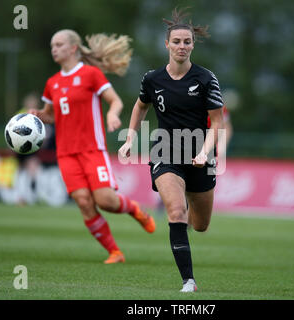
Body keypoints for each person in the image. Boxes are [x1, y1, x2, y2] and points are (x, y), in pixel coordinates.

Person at [119, 8, 224, 292]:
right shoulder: (152, 79)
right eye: (176, 41)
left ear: (193, 45)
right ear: (166, 44)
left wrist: (204, 152)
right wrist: (130, 138)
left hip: (200, 156)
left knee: (200, 225)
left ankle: (189, 197)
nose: (181, 46)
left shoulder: (206, 79)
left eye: (186, 42)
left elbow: (217, 122)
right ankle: (188, 281)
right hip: (164, 151)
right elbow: (141, 105)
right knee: (176, 212)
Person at [29, 29, 156, 264]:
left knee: (105, 201)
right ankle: (115, 252)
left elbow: (115, 101)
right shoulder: (52, 83)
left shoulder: (91, 74)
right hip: (66, 153)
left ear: (73, 48)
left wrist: (112, 115)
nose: (53, 49)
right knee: (84, 203)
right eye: (52, 45)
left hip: (92, 150)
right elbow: (50, 115)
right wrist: (38, 114)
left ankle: (134, 209)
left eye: (58, 44)